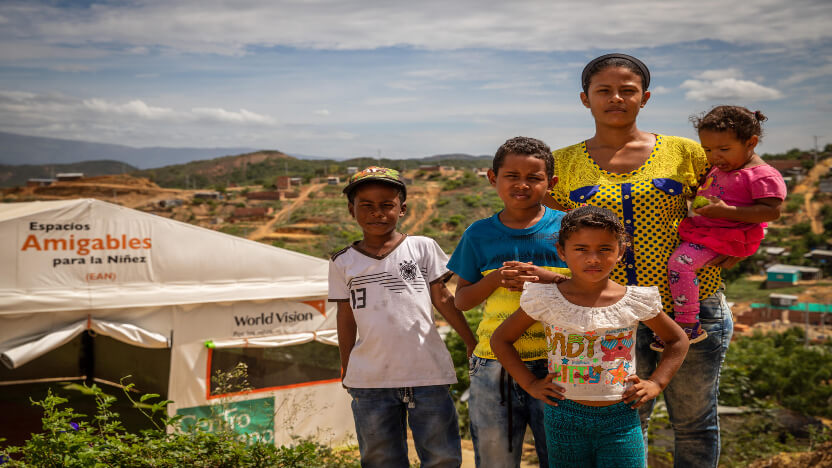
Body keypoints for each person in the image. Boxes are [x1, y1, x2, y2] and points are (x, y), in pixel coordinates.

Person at [544, 53, 733, 467]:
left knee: (695, 422)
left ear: (644, 97)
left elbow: (733, 203)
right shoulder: (562, 163)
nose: (616, 98)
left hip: (693, 312)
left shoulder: (685, 153)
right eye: (603, 90)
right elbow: (551, 235)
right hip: (610, 318)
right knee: (625, 421)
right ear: (584, 99)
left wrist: (724, 258)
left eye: (627, 90)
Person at [491, 205, 689, 468]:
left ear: (620, 251)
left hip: (622, 416)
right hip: (563, 415)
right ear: (562, 251)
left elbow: (677, 340)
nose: (593, 258)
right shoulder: (546, 299)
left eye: (605, 249)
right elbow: (501, 340)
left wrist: (656, 384)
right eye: (581, 249)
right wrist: (530, 384)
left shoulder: (634, 300)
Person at [329, 166, 477, 468]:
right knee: (380, 459)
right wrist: (346, 363)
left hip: (428, 374)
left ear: (403, 209)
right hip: (370, 380)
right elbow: (346, 316)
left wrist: (471, 341)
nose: (377, 213)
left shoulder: (422, 247)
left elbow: (443, 298)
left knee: (442, 458)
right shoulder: (342, 262)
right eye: (366, 206)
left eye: (387, 205)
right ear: (351, 210)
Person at [448, 136, 569, 468]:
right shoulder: (478, 234)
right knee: (495, 459)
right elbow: (462, 301)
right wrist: (495, 279)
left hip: (560, 361)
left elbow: (590, 290)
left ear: (551, 182)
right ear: (492, 178)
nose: (522, 184)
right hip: (492, 365)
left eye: (534, 177)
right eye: (511, 176)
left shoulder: (568, 230)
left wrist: (544, 277)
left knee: (560, 456)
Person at [652, 106, 786, 351]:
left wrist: (726, 212)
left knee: (680, 263)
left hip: (729, 236)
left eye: (724, 149)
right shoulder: (723, 167)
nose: (714, 157)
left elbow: (772, 211)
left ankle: (687, 325)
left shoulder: (761, 175)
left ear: (751, 142)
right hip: (708, 232)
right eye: (708, 149)